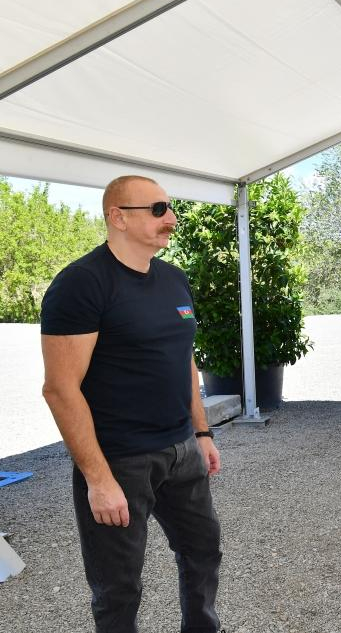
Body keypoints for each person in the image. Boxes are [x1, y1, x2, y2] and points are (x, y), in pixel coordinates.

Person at [40, 175, 223, 633]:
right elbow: (60, 388)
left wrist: (201, 432)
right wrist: (98, 479)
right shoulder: (82, 284)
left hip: (182, 450)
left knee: (203, 551)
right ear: (117, 217)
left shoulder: (174, 279)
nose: (172, 219)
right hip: (120, 460)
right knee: (118, 588)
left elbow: (184, 359)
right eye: (158, 209)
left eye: (170, 208)